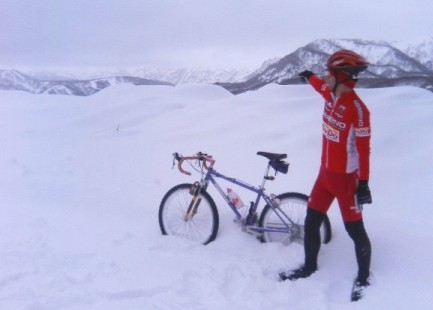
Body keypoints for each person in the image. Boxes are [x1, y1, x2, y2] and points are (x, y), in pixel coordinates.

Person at [279, 50, 373, 301]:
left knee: (355, 232)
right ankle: (309, 268)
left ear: (342, 77)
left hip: (345, 181)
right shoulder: (329, 95)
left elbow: (364, 151)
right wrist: (309, 76)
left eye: (329, 74)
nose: (325, 78)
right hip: (325, 176)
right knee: (311, 223)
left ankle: (364, 278)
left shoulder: (359, 111)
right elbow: (319, 85)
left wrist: (363, 183)